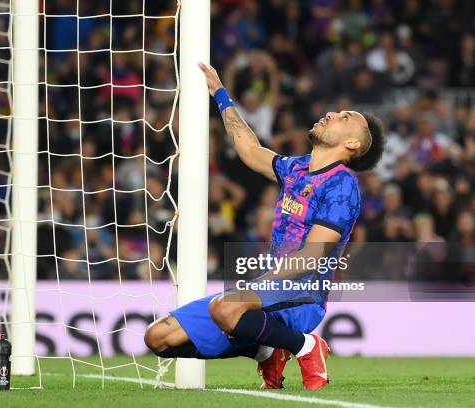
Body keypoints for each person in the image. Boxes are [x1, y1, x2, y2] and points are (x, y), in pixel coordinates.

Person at [144, 63, 385, 390]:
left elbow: (312, 256)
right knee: (158, 338)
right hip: (266, 291)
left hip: (301, 294)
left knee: (227, 306)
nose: (332, 114)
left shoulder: (342, 186)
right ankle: (265, 348)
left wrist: (258, 286)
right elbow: (249, 148)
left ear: (353, 145)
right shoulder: (296, 168)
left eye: (345, 117)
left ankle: (306, 346)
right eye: (337, 111)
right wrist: (220, 94)